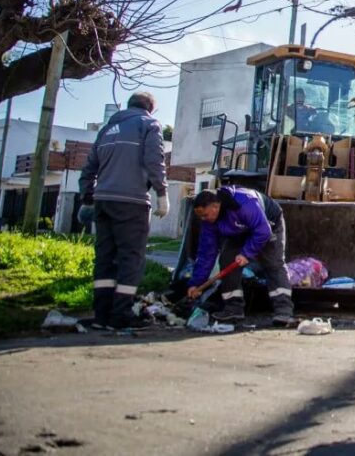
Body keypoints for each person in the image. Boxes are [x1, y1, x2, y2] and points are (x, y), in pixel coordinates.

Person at [77, 92, 169, 331]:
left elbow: (89, 168)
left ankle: (100, 316)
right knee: (130, 258)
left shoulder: (107, 129)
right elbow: (154, 160)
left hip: (103, 202)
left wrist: (87, 197)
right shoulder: (149, 124)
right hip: (132, 202)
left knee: (105, 258)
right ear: (150, 109)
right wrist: (161, 193)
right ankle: (120, 316)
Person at [187, 186, 295, 326]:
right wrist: (197, 283)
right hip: (238, 231)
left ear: (215, 206)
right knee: (226, 260)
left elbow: (263, 231)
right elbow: (206, 253)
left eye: (205, 215)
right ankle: (233, 309)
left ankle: (284, 311)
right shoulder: (209, 222)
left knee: (274, 264)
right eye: (200, 216)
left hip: (268, 226)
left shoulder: (244, 203)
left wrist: (247, 253)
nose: (203, 219)